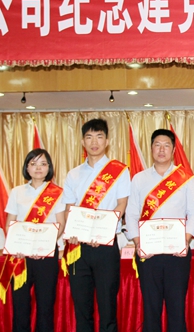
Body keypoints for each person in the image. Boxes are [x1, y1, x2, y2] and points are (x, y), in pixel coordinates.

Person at [125, 129, 194, 332]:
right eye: (157, 145)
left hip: (177, 254)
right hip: (148, 253)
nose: (161, 149)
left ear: (173, 150)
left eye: (166, 145)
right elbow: (131, 214)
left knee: (176, 309)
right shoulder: (139, 179)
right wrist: (138, 243)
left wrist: (185, 240)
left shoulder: (186, 178)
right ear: (151, 149)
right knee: (151, 308)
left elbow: (193, 213)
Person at [62, 118, 130, 332]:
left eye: (99, 136)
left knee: (108, 306)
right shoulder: (73, 174)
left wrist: (103, 231)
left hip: (106, 246)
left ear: (107, 141)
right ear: (83, 141)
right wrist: (72, 231)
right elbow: (69, 208)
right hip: (78, 248)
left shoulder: (120, 171)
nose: (94, 142)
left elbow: (122, 205)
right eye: (89, 137)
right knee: (82, 308)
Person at [1, 148, 66, 332]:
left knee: (45, 306)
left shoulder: (58, 192)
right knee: (20, 305)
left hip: (46, 254)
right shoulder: (17, 192)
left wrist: (42, 246)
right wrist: (16, 246)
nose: (38, 168)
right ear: (27, 167)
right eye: (33, 163)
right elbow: (10, 224)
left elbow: (60, 224)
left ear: (49, 167)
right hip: (20, 255)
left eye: (43, 164)